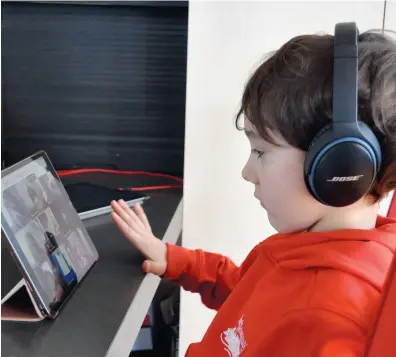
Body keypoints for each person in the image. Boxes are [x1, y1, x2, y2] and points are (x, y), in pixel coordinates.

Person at [110, 28, 396, 357]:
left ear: (339, 163)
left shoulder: (328, 320)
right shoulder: (309, 246)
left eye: (261, 151)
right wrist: (172, 259)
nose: (248, 173)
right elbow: (247, 294)